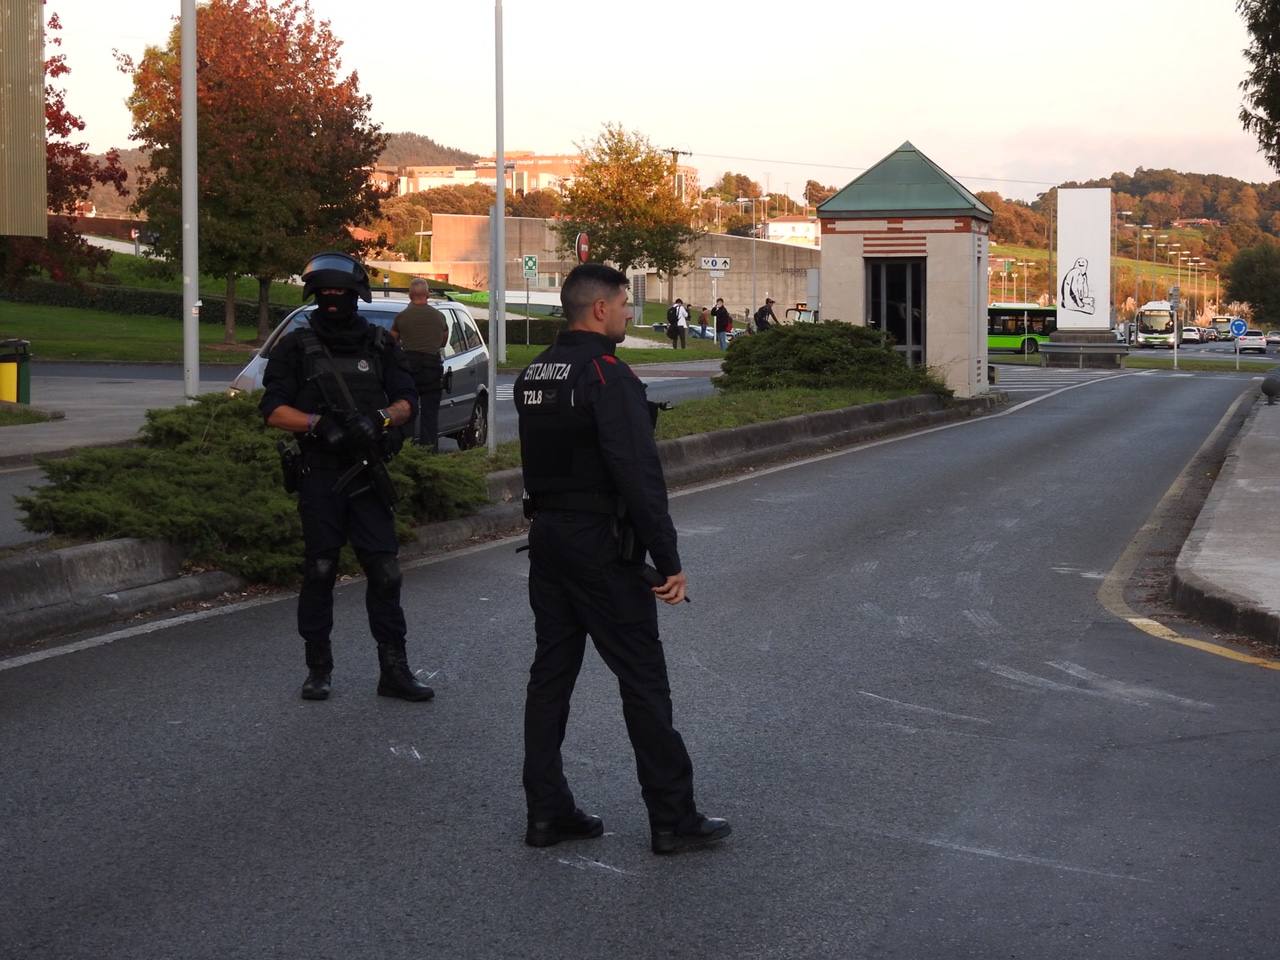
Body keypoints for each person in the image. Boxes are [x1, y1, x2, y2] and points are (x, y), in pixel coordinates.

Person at [514, 263, 731, 855]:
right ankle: (672, 818)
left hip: (549, 539)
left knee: (550, 676)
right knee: (642, 680)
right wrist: (669, 560)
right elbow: (638, 476)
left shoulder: (537, 372)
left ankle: (546, 812)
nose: (632, 314)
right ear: (601, 309)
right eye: (627, 304)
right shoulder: (607, 375)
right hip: (602, 547)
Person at [259, 251, 434, 704]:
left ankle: (393, 669)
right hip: (319, 474)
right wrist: (317, 424)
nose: (334, 299)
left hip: (366, 476)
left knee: (387, 572)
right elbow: (273, 410)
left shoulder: (380, 344)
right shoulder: (295, 348)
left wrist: (378, 419)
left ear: (357, 294)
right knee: (320, 570)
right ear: (315, 295)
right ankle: (318, 669)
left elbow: (408, 400)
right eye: (326, 292)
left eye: (341, 291)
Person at [391, 278, 449, 451]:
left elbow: (392, 341)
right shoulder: (439, 316)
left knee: (407, 412)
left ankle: (406, 451)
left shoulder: (401, 317)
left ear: (409, 295)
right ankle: (428, 453)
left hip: (409, 370)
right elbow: (443, 341)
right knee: (430, 416)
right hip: (432, 369)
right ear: (428, 295)